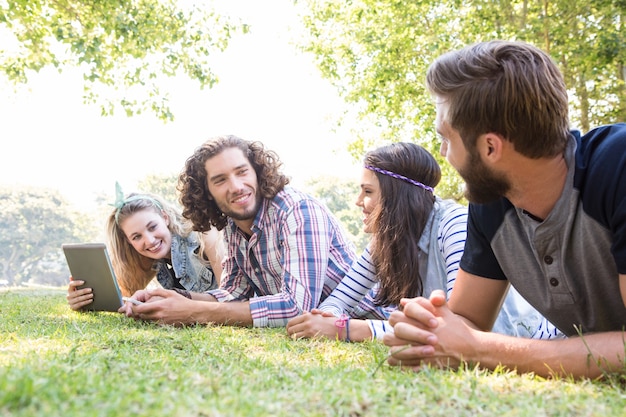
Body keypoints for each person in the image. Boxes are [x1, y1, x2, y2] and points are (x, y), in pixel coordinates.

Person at [384, 40, 626, 379]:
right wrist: (430, 330)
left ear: (489, 147)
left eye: (447, 138)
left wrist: (481, 350)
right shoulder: (493, 203)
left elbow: (474, 344)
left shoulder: (618, 168)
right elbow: (467, 321)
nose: (443, 152)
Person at [286, 142, 561, 342]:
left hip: (529, 338)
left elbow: (457, 328)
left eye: (368, 192)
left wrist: (346, 329)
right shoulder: (385, 243)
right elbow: (338, 301)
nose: (359, 202)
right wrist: (328, 317)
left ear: (397, 197)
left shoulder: (455, 225)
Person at [121, 135, 357, 327]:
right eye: (220, 180)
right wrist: (173, 298)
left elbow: (297, 306)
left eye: (242, 171)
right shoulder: (233, 227)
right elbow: (234, 293)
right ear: (207, 193)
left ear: (257, 171)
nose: (236, 187)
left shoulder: (297, 211)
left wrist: (195, 312)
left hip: (362, 318)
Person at [67, 186, 223, 310]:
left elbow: (229, 296)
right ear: (129, 241)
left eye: (152, 227)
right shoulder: (152, 260)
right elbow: (126, 299)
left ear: (165, 218)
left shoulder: (204, 235)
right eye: (136, 237)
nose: (149, 241)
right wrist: (85, 300)